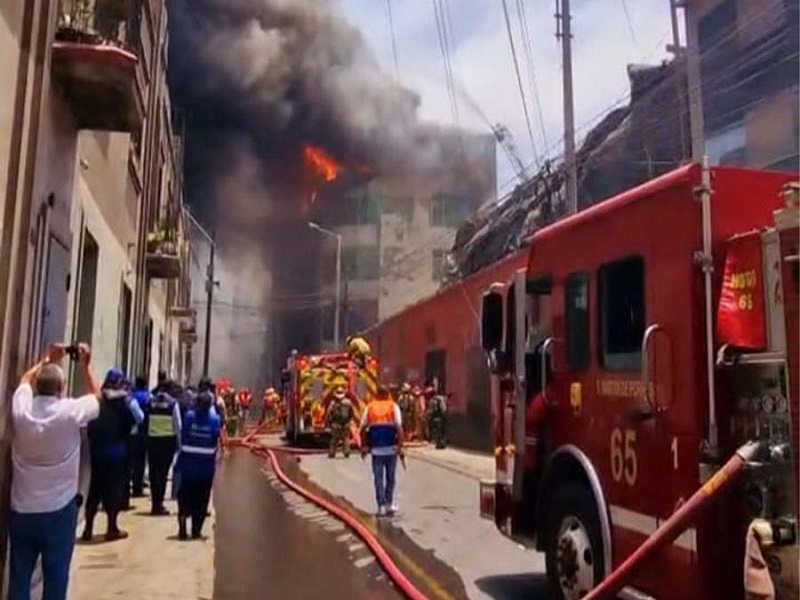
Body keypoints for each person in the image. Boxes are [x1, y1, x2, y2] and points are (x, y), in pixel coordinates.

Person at [9, 343, 100, 600]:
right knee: (56, 578)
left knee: (19, 577)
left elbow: (26, 379)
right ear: (60, 391)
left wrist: (48, 358)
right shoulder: (69, 412)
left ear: (38, 388)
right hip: (59, 511)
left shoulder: (22, 411)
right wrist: (86, 364)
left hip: (23, 509)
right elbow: (97, 398)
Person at [82, 368, 143, 541]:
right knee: (113, 491)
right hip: (117, 453)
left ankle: (88, 529)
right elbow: (139, 418)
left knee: (94, 490)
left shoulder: (97, 400)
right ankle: (111, 528)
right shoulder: (125, 402)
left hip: (97, 452)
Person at [176, 387, 221, 539]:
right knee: (201, 499)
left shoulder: (189, 417)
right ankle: (196, 530)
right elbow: (216, 438)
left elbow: (183, 434)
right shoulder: (215, 420)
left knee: (185, 494)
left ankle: (182, 517)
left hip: (188, 464)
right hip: (206, 467)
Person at [359, 386, 403, 516]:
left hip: (376, 450)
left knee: (378, 478)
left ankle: (380, 506)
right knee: (391, 478)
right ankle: (389, 504)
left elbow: (362, 428)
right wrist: (400, 446)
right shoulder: (393, 406)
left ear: (376, 394)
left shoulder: (370, 407)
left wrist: (363, 446)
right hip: (391, 449)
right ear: (387, 394)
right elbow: (399, 428)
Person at [146, 380, 180, 515]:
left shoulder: (151, 402)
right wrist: (180, 443)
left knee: (153, 474)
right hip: (167, 443)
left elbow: (145, 419)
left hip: (152, 441)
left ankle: (155, 503)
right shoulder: (172, 404)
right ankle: (159, 504)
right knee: (163, 473)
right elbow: (178, 425)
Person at [127, 376, 150, 500]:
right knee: (140, 462)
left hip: (130, 433)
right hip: (143, 433)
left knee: (130, 461)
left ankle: (129, 484)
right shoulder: (148, 397)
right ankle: (137, 487)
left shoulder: (132, 396)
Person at [326, 384, 354, 458]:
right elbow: (351, 413)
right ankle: (347, 452)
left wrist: (328, 423)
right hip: (346, 424)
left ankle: (332, 453)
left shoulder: (333, 403)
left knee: (334, 440)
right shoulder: (348, 402)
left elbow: (328, 414)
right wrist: (349, 421)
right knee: (346, 439)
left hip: (336, 424)